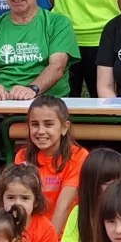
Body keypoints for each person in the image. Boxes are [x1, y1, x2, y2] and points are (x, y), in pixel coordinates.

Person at [13, 94, 88, 232]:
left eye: (48, 124)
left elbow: (64, 206)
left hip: (65, 232)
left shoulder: (79, 156)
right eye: (34, 124)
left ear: (64, 127)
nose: (41, 131)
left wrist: (48, 241)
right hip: (32, 230)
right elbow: (20, 204)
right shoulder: (22, 156)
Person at [0, 164, 59, 242]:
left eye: (24, 198)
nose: (17, 203)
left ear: (36, 201)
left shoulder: (45, 228)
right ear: (2, 199)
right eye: (11, 197)